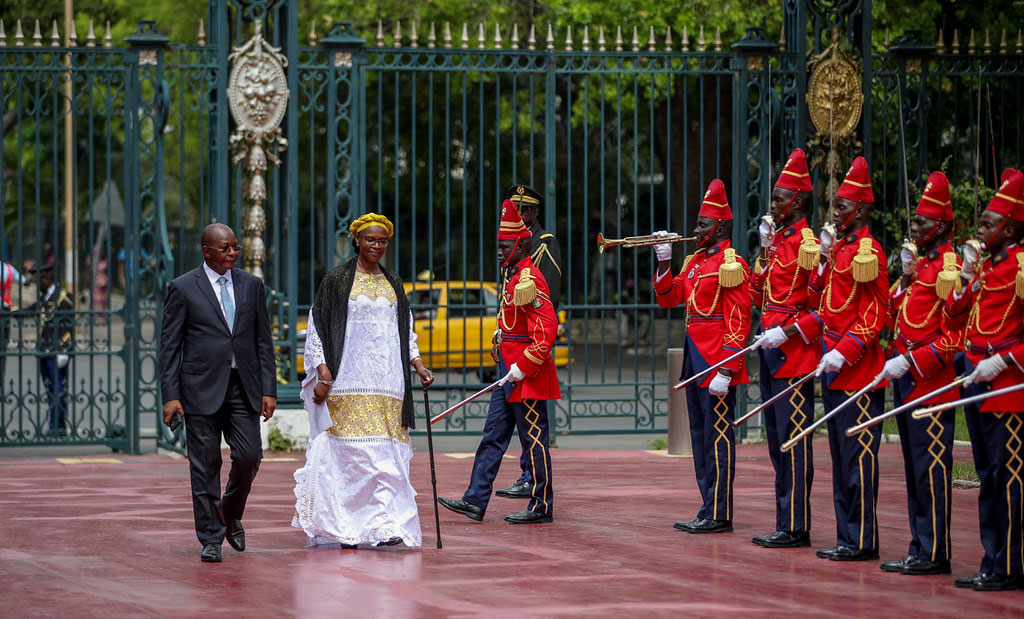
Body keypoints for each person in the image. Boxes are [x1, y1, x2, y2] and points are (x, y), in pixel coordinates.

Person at [291, 213, 434, 549]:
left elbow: (406, 330)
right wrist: (323, 370)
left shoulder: (394, 282)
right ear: (356, 240)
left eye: (382, 240)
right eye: (370, 240)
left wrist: (418, 363)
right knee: (351, 456)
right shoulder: (337, 280)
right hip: (347, 379)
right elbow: (318, 326)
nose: (376, 246)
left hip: (388, 381)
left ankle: (383, 526)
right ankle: (346, 526)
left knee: (386, 457)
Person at [159, 223, 277, 563]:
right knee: (204, 466)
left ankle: (229, 511)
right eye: (224, 248)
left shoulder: (252, 285)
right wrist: (171, 396)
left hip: (244, 388)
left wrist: (269, 388)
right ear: (207, 251)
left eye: (235, 247)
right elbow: (170, 347)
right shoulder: (182, 288)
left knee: (249, 455)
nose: (232, 253)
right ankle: (211, 537)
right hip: (199, 390)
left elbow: (262, 341)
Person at [438, 200, 560, 524]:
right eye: (498, 245)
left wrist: (524, 366)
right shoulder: (512, 275)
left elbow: (547, 330)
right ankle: (475, 500)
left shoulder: (530, 278)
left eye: (505, 246)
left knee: (534, 440)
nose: (499, 251)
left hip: (526, 373)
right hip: (508, 370)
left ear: (520, 245)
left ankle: (541, 505)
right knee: (493, 435)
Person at [793, 156, 890, 561]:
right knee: (838, 457)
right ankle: (847, 536)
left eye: (843, 206)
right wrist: (821, 264)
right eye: (835, 204)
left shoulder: (869, 253)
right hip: (833, 368)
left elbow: (875, 315)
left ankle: (863, 538)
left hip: (859, 373)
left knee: (858, 461)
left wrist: (843, 352)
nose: (835, 211)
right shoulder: (840, 250)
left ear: (862, 211)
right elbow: (823, 304)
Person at [653, 178, 751, 534]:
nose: (696, 230)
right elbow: (669, 298)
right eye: (697, 224)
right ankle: (707, 503)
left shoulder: (731, 262)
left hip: (717, 362)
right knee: (698, 435)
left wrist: (727, 367)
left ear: (721, 226)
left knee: (718, 437)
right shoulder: (694, 260)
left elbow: (738, 318)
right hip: (695, 359)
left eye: (703, 225)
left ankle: (720, 511)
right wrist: (665, 263)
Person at [876, 172, 962, 576]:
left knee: (931, 468)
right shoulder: (922, 265)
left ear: (941, 226)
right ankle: (919, 545)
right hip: (907, 375)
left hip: (932, 381)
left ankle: (934, 551)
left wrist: (912, 361)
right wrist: (905, 277)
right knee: (914, 467)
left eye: (921, 223)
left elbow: (953, 338)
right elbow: (900, 315)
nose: (914, 228)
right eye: (913, 222)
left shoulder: (949, 268)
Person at [944, 168, 1024, 591]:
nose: (979, 230)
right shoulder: (987, 269)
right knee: (986, 474)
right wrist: (963, 282)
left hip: (1006, 387)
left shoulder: (1021, 268)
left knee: (1006, 478)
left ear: (1009, 228)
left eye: (988, 224)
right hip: (975, 378)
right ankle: (993, 560)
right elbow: (954, 317)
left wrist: (1006, 359)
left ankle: (1009, 565)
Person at [749, 149, 820, 548]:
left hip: (793, 352)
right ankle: (785, 520)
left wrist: (788, 332)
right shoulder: (778, 242)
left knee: (794, 441)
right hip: (769, 346)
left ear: (798, 203)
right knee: (777, 439)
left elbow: (819, 307)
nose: (772, 204)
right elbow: (760, 294)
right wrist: (764, 249)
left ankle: (796, 524)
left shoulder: (808, 244)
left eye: (779, 198)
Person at [495, 183, 563, 500]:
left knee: (534, 427)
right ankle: (481, 494)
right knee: (512, 425)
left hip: (529, 349)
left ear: (534, 212)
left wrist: (529, 355)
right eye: (514, 208)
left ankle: (535, 488)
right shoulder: (511, 247)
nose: (519, 214)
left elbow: (547, 301)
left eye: (524, 209)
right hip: (512, 347)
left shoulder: (541, 245)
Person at [25, 264, 73, 437]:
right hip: (44, 350)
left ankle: (57, 426)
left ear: (48, 278)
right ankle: (57, 426)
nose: (38, 284)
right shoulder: (45, 297)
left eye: (40, 280)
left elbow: (69, 324)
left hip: (57, 350)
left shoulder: (64, 297)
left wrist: (64, 349)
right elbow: (26, 312)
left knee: (58, 389)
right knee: (50, 389)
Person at [0, 258, 28, 383]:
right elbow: (25, 282)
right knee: (2, 346)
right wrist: (30, 271)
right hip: (5, 310)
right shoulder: (8, 268)